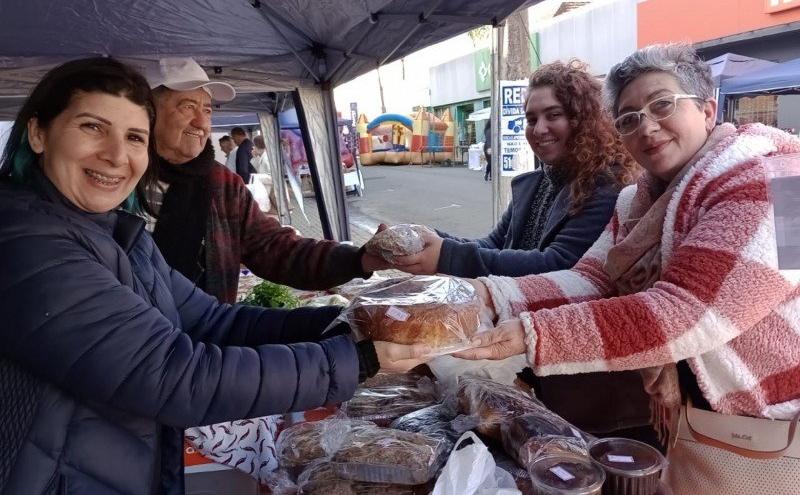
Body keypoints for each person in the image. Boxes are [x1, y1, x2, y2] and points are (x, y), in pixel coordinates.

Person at [0, 57, 429, 494]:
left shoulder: (117, 228)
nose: (115, 155)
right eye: (92, 127)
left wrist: (360, 320)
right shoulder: (25, 241)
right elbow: (172, 373)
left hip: (122, 454)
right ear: (38, 133)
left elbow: (214, 321)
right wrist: (360, 359)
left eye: (133, 137)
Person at [454, 43, 800, 486]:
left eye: (662, 105)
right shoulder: (637, 199)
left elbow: (687, 313)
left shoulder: (774, 179)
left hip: (770, 419)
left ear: (708, 110)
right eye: (629, 118)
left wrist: (530, 332)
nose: (647, 126)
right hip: (697, 420)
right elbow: (591, 279)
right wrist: (484, 295)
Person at [143, 57, 388, 304]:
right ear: (149, 112)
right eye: (187, 107)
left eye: (207, 110)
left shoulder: (222, 183)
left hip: (203, 333)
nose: (202, 122)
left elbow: (276, 248)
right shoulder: (122, 179)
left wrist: (358, 259)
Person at [393, 61, 638, 280]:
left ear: (584, 120)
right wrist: (426, 236)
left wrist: (447, 255)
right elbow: (494, 245)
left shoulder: (608, 185)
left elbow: (558, 263)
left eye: (553, 115)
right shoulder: (535, 184)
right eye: (531, 119)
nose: (539, 129)